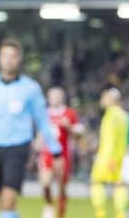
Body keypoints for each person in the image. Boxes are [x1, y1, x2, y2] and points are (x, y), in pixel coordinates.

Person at [0, 37, 63, 218]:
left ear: (19, 59)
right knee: (3, 204)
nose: (8, 60)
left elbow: (43, 121)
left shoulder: (30, 88)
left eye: (13, 56)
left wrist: (56, 152)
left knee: (8, 201)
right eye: (4, 56)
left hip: (18, 147)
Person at [37, 87, 84, 218]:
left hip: (63, 155)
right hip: (47, 154)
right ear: (48, 98)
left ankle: (61, 214)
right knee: (45, 183)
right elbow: (40, 133)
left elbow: (79, 134)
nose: (55, 98)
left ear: (62, 97)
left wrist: (69, 127)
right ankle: (48, 205)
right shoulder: (44, 113)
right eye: (52, 96)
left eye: (57, 96)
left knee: (61, 187)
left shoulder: (70, 113)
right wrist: (38, 142)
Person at [90, 88, 129, 218]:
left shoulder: (111, 114)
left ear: (112, 99)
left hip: (106, 156)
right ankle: (121, 213)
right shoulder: (123, 115)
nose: (102, 100)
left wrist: (111, 158)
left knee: (97, 182)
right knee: (119, 184)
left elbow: (111, 138)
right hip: (120, 156)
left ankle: (100, 214)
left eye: (104, 97)